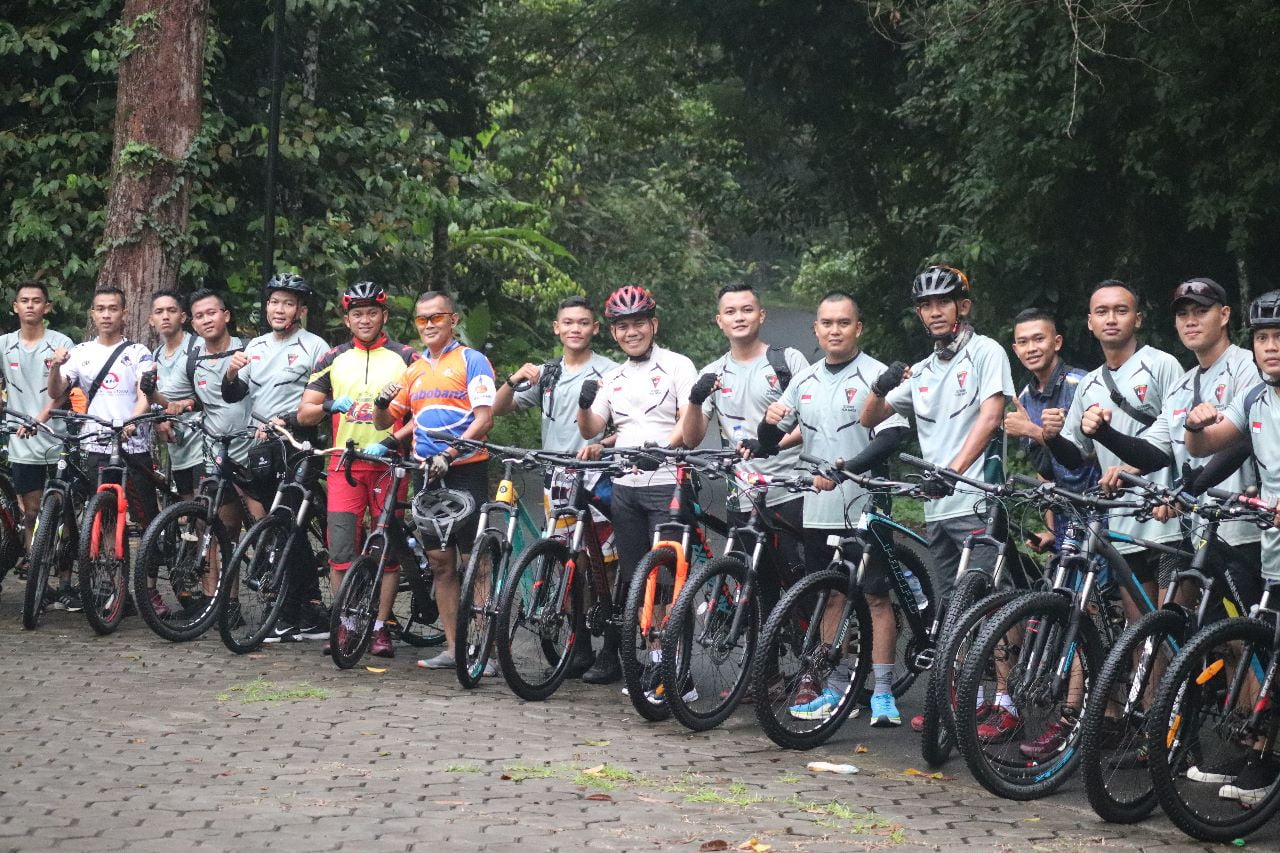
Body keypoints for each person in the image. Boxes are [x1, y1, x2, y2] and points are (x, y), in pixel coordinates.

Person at [859, 264, 1015, 736]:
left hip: (979, 499)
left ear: (962, 306)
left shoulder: (987, 352)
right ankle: (967, 700)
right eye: (925, 305)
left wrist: (951, 472)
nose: (933, 312)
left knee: (990, 603)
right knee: (953, 607)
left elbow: (990, 419)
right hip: (937, 505)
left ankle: (1006, 702)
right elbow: (872, 417)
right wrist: (883, 383)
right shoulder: (923, 370)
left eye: (942, 303)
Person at [757, 291, 910, 727]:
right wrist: (767, 425)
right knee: (831, 596)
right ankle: (835, 689)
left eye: (844, 322)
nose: (835, 330)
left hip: (864, 503)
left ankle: (882, 693)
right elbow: (771, 443)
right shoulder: (803, 382)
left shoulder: (878, 374)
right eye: (827, 323)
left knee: (877, 598)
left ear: (858, 328)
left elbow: (893, 435)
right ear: (816, 330)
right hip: (819, 506)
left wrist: (845, 470)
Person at [1079, 278, 1260, 594]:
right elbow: (1153, 453)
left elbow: (1243, 441)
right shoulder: (1181, 386)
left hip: (1246, 530)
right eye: (1182, 314)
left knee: (1249, 635)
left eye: (1201, 311)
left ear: (1225, 314)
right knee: (1215, 637)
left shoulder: (1246, 366)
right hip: (1201, 534)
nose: (1190, 320)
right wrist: (1104, 433)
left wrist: (1183, 491)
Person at [1180, 289, 1280, 804]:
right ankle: (1260, 754)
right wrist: (1195, 429)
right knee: (1266, 649)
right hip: (1273, 554)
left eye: (1279, 336)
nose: (1270, 347)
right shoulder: (1257, 398)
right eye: (1263, 336)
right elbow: (1209, 445)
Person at [576, 285, 697, 688]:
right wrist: (583, 404)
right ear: (612, 332)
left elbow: (688, 424)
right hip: (625, 485)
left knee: (666, 582)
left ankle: (674, 670)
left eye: (639, 324)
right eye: (623, 326)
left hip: (668, 482)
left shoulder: (679, 365)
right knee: (637, 579)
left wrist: (665, 449)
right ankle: (654, 660)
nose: (632, 332)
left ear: (653, 324)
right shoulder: (613, 376)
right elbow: (594, 428)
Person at [492, 295, 617, 681]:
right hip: (556, 475)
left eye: (583, 322)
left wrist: (603, 444)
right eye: (568, 322)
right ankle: (577, 645)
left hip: (598, 475)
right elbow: (499, 408)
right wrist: (514, 379)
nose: (576, 328)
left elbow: (629, 424)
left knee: (606, 563)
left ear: (595, 328)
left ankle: (611, 647)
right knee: (569, 560)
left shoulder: (611, 371)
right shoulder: (547, 373)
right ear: (557, 328)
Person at [375, 290, 496, 672]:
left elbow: (484, 419)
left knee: (473, 562)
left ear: (453, 320)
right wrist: (381, 405)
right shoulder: (413, 369)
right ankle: (454, 647)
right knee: (440, 563)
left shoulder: (472, 360)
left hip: (466, 468)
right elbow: (386, 421)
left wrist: (452, 454)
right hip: (427, 473)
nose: (428, 325)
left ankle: (484, 651)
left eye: (436, 317)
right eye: (421, 319)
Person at [299, 281, 418, 659]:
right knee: (340, 550)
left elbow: (423, 412)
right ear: (346, 319)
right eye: (357, 314)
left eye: (371, 312)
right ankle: (347, 624)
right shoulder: (333, 357)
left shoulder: (406, 357)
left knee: (386, 550)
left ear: (384, 316)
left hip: (389, 465)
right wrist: (331, 404)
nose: (364, 320)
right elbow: (306, 411)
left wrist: (394, 440)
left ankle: (381, 627)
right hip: (343, 465)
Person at [679, 283, 807, 622]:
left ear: (761, 315)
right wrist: (694, 399)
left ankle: (818, 661)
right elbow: (691, 438)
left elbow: (812, 420)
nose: (740, 317)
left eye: (747, 309)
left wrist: (771, 445)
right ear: (719, 321)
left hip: (791, 491)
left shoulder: (787, 360)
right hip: (743, 494)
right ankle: (767, 670)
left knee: (801, 585)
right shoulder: (713, 372)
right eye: (731, 312)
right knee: (757, 588)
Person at [222, 272, 330, 643]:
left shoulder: (316, 346)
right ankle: (308, 609)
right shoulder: (256, 346)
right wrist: (231, 373)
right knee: (280, 526)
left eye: (287, 303)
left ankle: (289, 611)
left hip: (299, 443)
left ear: (300, 308)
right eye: (273, 302)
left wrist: (292, 422)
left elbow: (323, 400)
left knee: (290, 526)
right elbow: (235, 394)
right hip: (264, 445)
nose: (278, 309)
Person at [150, 290, 266, 615]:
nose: (206, 320)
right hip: (217, 455)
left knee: (261, 526)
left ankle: (280, 597)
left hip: (253, 451)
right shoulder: (193, 358)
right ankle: (226, 604)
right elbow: (172, 401)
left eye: (211, 313)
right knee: (221, 532)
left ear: (225, 315)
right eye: (199, 316)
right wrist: (152, 394)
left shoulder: (249, 351)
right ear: (195, 323)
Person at [47, 286, 157, 612]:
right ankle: (113, 589)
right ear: (92, 314)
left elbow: (145, 393)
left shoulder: (139, 353)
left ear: (124, 313)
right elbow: (57, 391)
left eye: (113, 308)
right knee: (106, 519)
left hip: (133, 446)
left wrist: (134, 419)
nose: (106, 314)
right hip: (96, 445)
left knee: (145, 518)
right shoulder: (80, 352)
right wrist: (55, 366)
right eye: (100, 308)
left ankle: (150, 590)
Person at [0, 281, 74, 605]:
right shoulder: (3, 345)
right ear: (15, 307)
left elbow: (65, 392)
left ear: (47, 307)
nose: (30, 306)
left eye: (37, 301)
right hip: (21, 440)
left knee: (64, 513)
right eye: (24, 301)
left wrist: (41, 418)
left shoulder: (61, 343)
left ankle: (67, 582)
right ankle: (37, 580)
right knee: (31, 512)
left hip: (57, 437)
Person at [1003, 308, 1101, 552]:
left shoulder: (1084, 384)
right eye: (1023, 342)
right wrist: (1050, 530)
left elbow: (1092, 454)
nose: (1031, 348)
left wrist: (1031, 430)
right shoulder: (1024, 398)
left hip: (1101, 511)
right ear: (1015, 350)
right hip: (1064, 518)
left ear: (1056, 342)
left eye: (1039, 339)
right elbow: (1045, 472)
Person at [147, 290, 202, 501]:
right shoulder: (156, 355)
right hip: (176, 447)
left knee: (203, 513)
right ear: (152, 320)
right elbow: (155, 400)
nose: (165, 316)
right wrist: (160, 420)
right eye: (159, 312)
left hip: (202, 443)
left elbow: (210, 395)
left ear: (183, 316)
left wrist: (187, 402)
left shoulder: (198, 348)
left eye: (172, 310)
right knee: (187, 510)